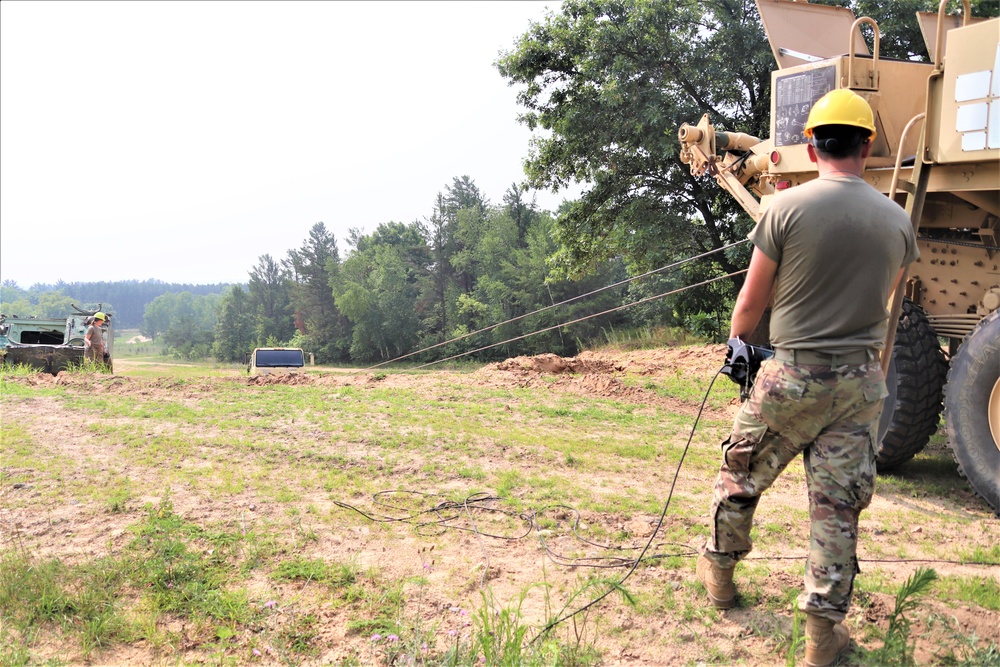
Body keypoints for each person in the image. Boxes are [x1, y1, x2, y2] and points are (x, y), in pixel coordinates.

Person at [695, 89, 919, 667]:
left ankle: (719, 577)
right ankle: (821, 635)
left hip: (791, 376)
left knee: (741, 472)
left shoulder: (784, 209)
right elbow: (887, 296)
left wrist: (739, 350)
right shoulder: (898, 221)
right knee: (837, 506)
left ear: (813, 147)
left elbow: (751, 303)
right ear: (867, 147)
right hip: (859, 386)